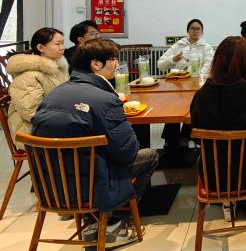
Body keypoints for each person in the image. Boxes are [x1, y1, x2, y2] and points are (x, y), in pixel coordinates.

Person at [31, 38, 158, 245]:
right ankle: (115, 220)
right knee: (150, 156)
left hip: (51, 184)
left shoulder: (53, 95)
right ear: (96, 64)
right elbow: (126, 153)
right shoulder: (105, 99)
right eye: (113, 59)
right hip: (93, 184)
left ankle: (92, 220)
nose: (116, 64)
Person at [190, 36, 246, 222]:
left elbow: (196, 138)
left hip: (214, 176)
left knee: (219, 157)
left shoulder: (202, 96)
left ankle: (227, 203)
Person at [158, 19, 214, 149]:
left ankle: (185, 137)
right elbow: (160, 65)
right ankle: (171, 139)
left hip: (196, 85)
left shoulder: (206, 47)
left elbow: (208, 66)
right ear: (188, 30)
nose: (195, 31)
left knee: (193, 107)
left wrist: (197, 79)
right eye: (192, 28)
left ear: (202, 31)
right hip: (177, 85)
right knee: (173, 108)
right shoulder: (179, 45)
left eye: (198, 29)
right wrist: (173, 59)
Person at [7, 27, 69, 144]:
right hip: (32, 134)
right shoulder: (27, 75)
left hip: (52, 124)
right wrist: (69, 118)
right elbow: (32, 113)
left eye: (62, 43)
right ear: (40, 47)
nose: (62, 47)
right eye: (57, 44)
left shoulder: (56, 68)